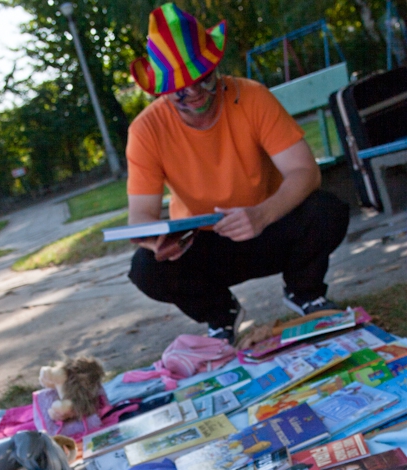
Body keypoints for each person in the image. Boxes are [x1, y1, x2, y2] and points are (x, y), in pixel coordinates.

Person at [126, 3, 350, 344]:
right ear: (161, 89)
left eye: (202, 78)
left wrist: (262, 214)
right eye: (182, 88)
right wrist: (158, 240)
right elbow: (139, 216)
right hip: (201, 242)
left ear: (215, 66)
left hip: (269, 222)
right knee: (146, 267)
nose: (196, 93)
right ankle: (222, 315)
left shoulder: (252, 96)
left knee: (327, 210)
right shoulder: (145, 130)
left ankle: (305, 292)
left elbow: (305, 171)